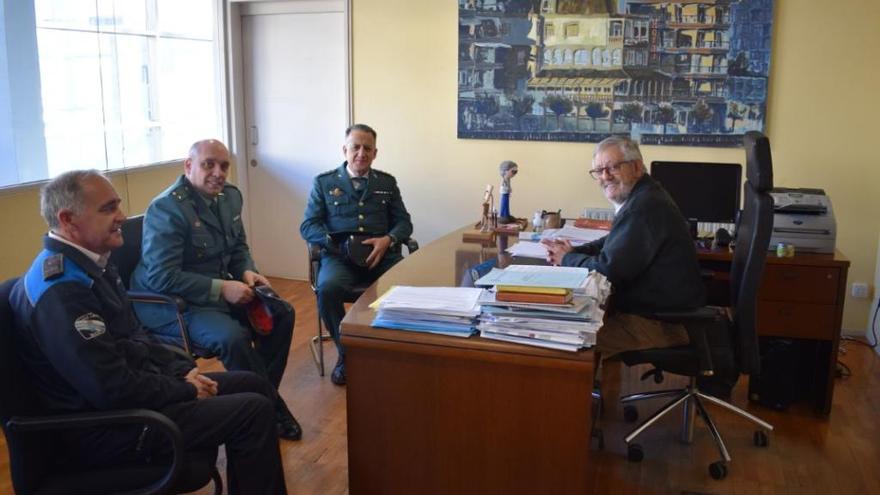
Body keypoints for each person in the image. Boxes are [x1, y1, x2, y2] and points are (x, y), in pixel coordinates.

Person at [8, 170, 287, 494]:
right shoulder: (64, 292)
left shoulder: (90, 262)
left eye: (118, 205)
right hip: (102, 428)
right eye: (108, 208)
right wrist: (181, 389)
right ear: (68, 219)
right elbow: (109, 388)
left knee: (254, 385)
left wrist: (183, 370)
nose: (122, 217)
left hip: (125, 402)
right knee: (252, 412)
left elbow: (133, 337)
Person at [130, 139, 301, 440]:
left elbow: (238, 247)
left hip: (219, 287)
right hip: (173, 303)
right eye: (208, 164)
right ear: (188, 166)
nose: (218, 173)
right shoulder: (167, 208)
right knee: (232, 337)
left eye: (224, 166)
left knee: (282, 313)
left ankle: (263, 396)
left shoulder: (230, 197)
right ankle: (271, 408)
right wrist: (222, 288)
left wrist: (248, 269)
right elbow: (161, 276)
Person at [542, 136, 706, 402]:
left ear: (637, 167)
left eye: (613, 167)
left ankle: (565, 419)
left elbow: (607, 273)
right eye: (599, 170)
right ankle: (592, 410)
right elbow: (613, 242)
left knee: (569, 335)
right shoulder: (645, 196)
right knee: (582, 320)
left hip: (662, 323)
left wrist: (568, 259)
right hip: (660, 313)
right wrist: (575, 252)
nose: (605, 176)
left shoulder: (643, 207)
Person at [300, 124, 413, 385]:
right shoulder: (324, 182)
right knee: (327, 289)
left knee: (407, 288)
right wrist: (335, 244)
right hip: (340, 257)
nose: (361, 153)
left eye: (368, 148)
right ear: (345, 150)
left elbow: (404, 223)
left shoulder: (386, 182)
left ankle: (395, 352)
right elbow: (308, 226)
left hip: (382, 256)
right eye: (356, 147)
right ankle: (347, 353)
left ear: (375, 153)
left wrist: (388, 239)